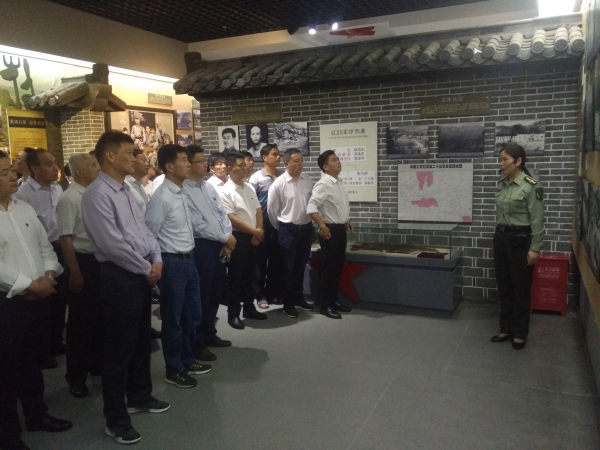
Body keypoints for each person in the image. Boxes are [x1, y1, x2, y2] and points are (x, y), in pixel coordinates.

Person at [81, 131, 169, 445]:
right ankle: (116, 420)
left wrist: (156, 258)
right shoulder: (97, 195)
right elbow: (112, 245)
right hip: (119, 276)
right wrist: (147, 268)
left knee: (140, 342)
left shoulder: (126, 190)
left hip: (142, 271)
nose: (135, 158)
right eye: (129, 153)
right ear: (110, 156)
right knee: (118, 351)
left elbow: (143, 230)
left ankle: (140, 395)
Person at [0, 150, 72, 450]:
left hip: (38, 297)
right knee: (6, 371)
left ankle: (36, 415)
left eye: (11, 170)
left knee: (33, 363)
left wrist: (49, 275)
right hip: (8, 303)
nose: (13, 176)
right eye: (4, 173)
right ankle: (8, 436)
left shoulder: (24, 208)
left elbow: (45, 247)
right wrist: (29, 284)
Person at [145, 144, 210, 389]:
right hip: (172, 263)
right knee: (173, 319)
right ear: (169, 167)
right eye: (183, 160)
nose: (189, 164)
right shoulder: (161, 197)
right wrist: (155, 264)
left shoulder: (181, 192)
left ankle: (187, 359)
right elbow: (150, 234)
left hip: (188, 260)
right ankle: (174, 369)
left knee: (192, 314)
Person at [490, 143, 545, 350]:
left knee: (520, 287)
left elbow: (537, 220)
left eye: (505, 159)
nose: (501, 164)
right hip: (502, 238)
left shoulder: (531, 186)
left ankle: (520, 333)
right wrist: (499, 240)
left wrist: (535, 248)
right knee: (504, 285)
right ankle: (505, 328)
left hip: (521, 241)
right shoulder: (502, 184)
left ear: (518, 161)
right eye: (500, 159)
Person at [14, 148, 66, 364]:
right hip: (41, 250)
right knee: (45, 301)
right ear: (34, 168)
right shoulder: (23, 194)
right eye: (48, 164)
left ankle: (55, 342)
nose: (55, 168)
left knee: (60, 299)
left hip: (61, 247)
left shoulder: (57, 188)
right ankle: (43, 351)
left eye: (55, 163)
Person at [57, 153, 102, 399]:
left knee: (99, 319)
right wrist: (75, 271)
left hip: (100, 261)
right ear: (80, 172)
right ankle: (76, 377)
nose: (98, 168)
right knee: (80, 324)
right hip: (82, 261)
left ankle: (96, 364)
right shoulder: (69, 198)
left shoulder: (96, 194)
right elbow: (65, 238)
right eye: (93, 165)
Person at [184, 145, 235, 361]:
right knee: (201, 296)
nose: (205, 164)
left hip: (219, 244)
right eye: (200, 161)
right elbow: (197, 225)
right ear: (188, 164)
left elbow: (222, 214)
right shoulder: (184, 190)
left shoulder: (208, 187)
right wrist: (225, 238)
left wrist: (227, 238)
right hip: (202, 246)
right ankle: (197, 341)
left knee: (215, 292)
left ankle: (209, 332)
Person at [219, 152, 267, 329]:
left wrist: (258, 232)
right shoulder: (225, 191)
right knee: (235, 277)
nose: (244, 168)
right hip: (238, 237)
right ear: (230, 168)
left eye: (244, 165)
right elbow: (231, 217)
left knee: (250, 275)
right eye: (240, 165)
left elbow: (258, 211)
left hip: (254, 237)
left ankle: (249, 308)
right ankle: (233, 314)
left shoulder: (249, 187)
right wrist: (255, 231)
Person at [267, 148, 314, 318]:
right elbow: (272, 212)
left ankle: (298, 297)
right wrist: (282, 227)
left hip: (306, 228)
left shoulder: (307, 180)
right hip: (288, 230)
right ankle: (287, 303)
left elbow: (312, 205)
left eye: (301, 160)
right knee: (287, 268)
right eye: (296, 161)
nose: (300, 163)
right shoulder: (278, 184)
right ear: (286, 163)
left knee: (300, 266)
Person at [307, 150, 354, 320]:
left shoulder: (338, 182)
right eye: (334, 160)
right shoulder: (323, 184)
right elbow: (311, 207)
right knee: (328, 270)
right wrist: (322, 226)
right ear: (325, 167)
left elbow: (338, 206)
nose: (338, 161)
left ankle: (333, 300)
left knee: (337, 268)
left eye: (338, 159)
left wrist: (346, 220)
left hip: (340, 229)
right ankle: (325, 305)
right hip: (329, 231)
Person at [248, 144, 284, 309]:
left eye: (278, 154)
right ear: (264, 157)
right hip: (263, 225)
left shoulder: (282, 176)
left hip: (279, 225)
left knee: (276, 262)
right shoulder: (256, 178)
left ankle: (272, 293)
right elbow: (251, 205)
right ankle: (259, 295)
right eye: (274, 154)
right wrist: (256, 228)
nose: (278, 157)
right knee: (260, 262)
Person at [126, 149, 150, 215]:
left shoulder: (140, 184)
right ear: (133, 161)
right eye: (143, 160)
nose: (147, 164)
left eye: (147, 161)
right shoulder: (126, 185)